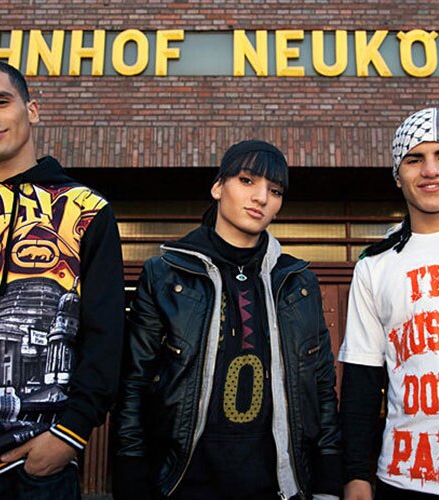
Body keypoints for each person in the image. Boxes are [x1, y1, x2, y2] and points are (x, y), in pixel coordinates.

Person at [113, 139, 342, 500]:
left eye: (275, 190)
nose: (261, 198)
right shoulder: (166, 274)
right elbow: (134, 381)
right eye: (247, 181)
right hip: (183, 481)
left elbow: (321, 384)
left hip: (278, 485)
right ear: (218, 187)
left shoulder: (297, 282)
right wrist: (130, 471)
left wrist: (329, 479)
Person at [0, 59, 125, 499]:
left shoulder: (86, 210)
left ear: (32, 110)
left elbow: (106, 335)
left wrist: (70, 435)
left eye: (0, 101)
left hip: (35, 467)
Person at [339, 108, 439, 499]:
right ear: (398, 176)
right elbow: (362, 380)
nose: (430, 170)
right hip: (404, 480)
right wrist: (356, 474)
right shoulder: (374, 265)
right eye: (414, 159)